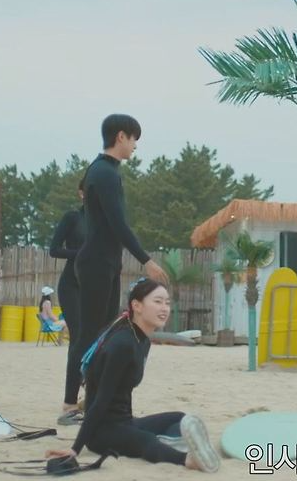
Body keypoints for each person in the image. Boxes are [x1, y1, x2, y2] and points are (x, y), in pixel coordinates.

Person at [44, 279, 220, 472]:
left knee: (180, 419)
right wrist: (75, 449)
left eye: (167, 303)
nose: (164, 308)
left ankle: (170, 444)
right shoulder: (122, 344)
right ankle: (187, 459)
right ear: (137, 306)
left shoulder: (142, 340)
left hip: (125, 423)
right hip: (101, 433)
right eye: (158, 302)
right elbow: (100, 400)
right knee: (146, 440)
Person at [74, 114, 168, 425]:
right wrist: (146, 260)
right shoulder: (104, 173)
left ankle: (91, 401)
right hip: (96, 262)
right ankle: (69, 404)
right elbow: (118, 224)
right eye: (133, 138)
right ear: (121, 137)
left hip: (106, 262)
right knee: (89, 335)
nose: (135, 146)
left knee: (103, 334)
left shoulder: (106, 171)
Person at [49, 179, 87, 424]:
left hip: (96, 286)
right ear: (81, 193)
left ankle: (91, 393)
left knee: (97, 339)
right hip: (72, 284)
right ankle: (69, 402)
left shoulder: (106, 222)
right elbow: (54, 249)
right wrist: (81, 253)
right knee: (79, 337)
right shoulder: (73, 218)